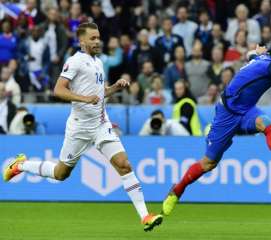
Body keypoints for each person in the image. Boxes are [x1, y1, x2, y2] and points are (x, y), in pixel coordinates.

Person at [2, 23, 162, 231]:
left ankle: (145, 216)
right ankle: (20, 165)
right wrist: (84, 99)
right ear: (82, 41)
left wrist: (114, 88)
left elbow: (99, 93)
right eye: (93, 38)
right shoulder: (75, 62)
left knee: (124, 164)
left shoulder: (98, 63)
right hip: (79, 128)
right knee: (60, 174)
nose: (98, 41)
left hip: (100, 124)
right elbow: (58, 90)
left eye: (98, 37)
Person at [161, 42, 271, 216]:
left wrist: (254, 52)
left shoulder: (264, 58)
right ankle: (177, 191)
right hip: (226, 114)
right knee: (209, 163)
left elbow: (250, 56)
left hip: (247, 111)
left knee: (267, 125)